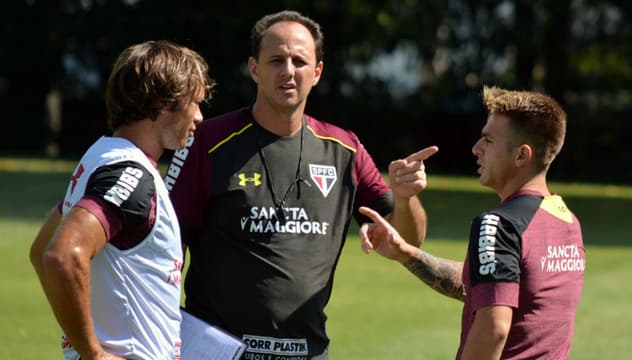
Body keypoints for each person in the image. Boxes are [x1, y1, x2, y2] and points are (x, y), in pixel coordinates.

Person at [164, 10, 437, 360]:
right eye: (276, 60)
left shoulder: (345, 149)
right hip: (217, 352)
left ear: (317, 72)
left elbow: (409, 238)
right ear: (254, 68)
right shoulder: (207, 141)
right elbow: (164, 246)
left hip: (306, 353)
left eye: (299, 61)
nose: (288, 71)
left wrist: (405, 198)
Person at [359, 86, 586, 359]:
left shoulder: (498, 225)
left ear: (521, 156)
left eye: (488, 141)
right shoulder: (567, 221)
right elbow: (491, 285)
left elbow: (494, 329)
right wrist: (407, 254)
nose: (476, 149)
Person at [29, 40, 215, 360]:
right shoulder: (130, 176)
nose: (199, 116)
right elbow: (60, 256)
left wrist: (79, 344)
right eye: (193, 102)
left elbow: (40, 249)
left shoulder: (103, 157)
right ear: (162, 102)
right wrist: (93, 353)